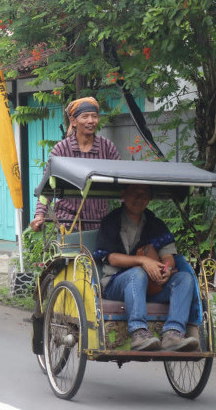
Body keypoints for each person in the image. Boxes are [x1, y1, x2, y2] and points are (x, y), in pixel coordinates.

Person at [95, 184, 200, 352]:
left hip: (151, 286)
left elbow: (168, 257)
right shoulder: (111, 221)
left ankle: (173, 332)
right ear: (124, 194)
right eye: (135, 192)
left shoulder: (155, 224)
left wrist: (166, 269)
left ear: (150, 198)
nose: (140, 198)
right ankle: (138, 332)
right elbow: (112, 258)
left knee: (184, 278)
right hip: (115, 284)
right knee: (138, 273)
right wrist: (143, 261)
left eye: (145, 194)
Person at [30, 97, 120, 232]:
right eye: (85, 117)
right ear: (73, 121)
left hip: (98, 217)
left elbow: (122, 181)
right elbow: (47, 187)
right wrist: (39, 215)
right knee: (73, 248)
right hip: (67, 217)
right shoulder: (61, 149)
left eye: (94, 116)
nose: (91, 121)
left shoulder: (107, 147)